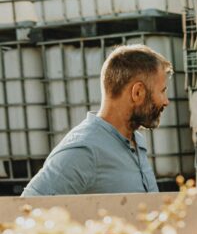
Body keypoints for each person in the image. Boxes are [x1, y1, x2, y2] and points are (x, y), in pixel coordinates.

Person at [22, 44, 170, 196]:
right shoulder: (84, 150)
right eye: (162, 91)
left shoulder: (136, 141)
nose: (166, 101)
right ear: (137, 92)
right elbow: (27, 209)